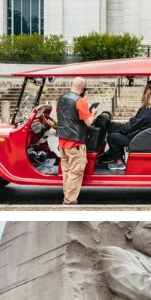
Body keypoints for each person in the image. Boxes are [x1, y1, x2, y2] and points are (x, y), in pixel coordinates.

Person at [100, 81, 151, 170]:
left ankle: (119, 162)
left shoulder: (146, 110)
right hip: (143, 135)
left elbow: (132, 126)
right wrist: (129, 123)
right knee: (116, 133)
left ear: (145, 96)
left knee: (112, 136)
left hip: (138, 137)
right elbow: (138, 122)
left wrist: (121, 129)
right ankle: (112, 155)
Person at [56, 76, 98, 205]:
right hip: (75, 143)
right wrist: (93, 113)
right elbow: (89, 122)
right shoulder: (80, 101)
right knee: (75, 173)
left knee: (67, 172)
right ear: (82, 88)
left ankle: (67, 198)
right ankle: (69, 202)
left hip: (63, 141)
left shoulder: (61, 99)